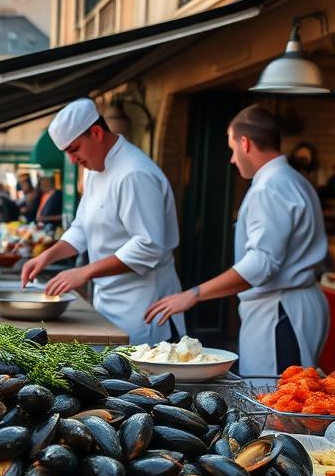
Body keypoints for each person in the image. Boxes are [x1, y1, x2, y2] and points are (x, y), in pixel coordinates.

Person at [146, 105, 329, 376]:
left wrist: (193, 294)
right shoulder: (294, 180)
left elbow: (260, 265)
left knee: (274, 400)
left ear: (245, 143)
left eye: (232, 149)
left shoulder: (269, 188)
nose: (232, 159)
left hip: (280, 313)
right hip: (292, 305)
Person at [21, 97, 184, 344]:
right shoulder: (95, 171)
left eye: (74, 150)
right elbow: (82, 229)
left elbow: (148, 245)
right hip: (108, 303)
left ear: (96, 133)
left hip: (144, 310)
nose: (73, 161)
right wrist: (47, 256)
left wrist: (85, 272)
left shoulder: (133, 173)